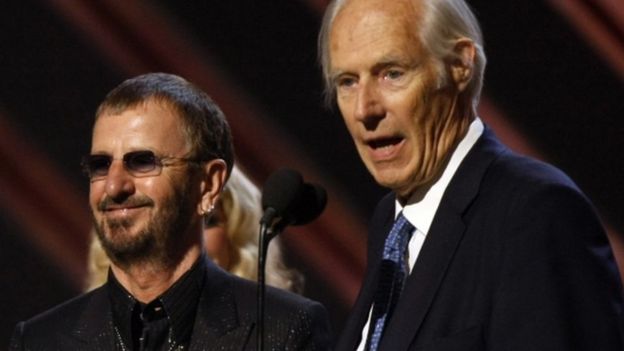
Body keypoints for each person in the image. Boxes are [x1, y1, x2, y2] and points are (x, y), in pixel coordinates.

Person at [318, 0, 624, 350]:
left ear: (461, 64)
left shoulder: (536, 213)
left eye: (392, 73)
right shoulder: (390, 225)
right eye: (347, 82)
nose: (364, 109)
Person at [9, 72, 330, 350]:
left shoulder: (284, 329)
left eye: (142, 162)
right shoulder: (40, 341)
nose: (114, 186)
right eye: (100, 166)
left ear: (208, 185)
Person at [86, 165, 303, 293]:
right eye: (165, 224)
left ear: (239, 235)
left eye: (206, 222)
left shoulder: (281, 335)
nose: (185, 240)